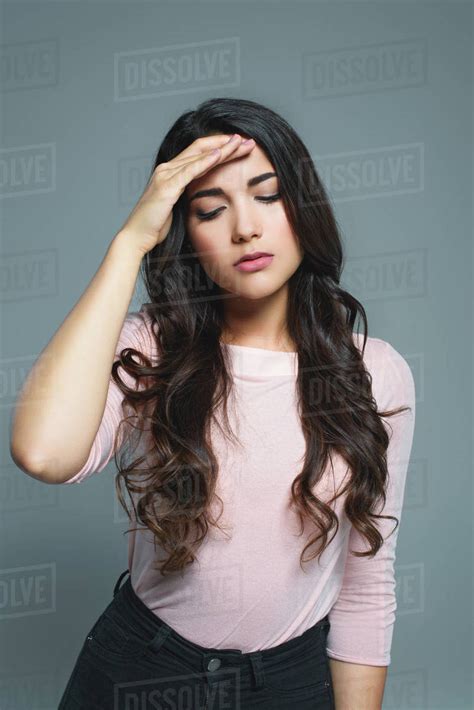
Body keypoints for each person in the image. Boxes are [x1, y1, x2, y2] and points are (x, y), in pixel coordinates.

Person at [10, 97, 416, 710]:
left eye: (267, 194)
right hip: (139, 668)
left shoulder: (375, 372)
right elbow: (43, 453)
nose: (244, 227)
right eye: (210, 209)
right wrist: (127, 244)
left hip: (289, 681)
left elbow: (367, 583)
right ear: (184, 230)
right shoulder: (152, 348)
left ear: (302, 205)